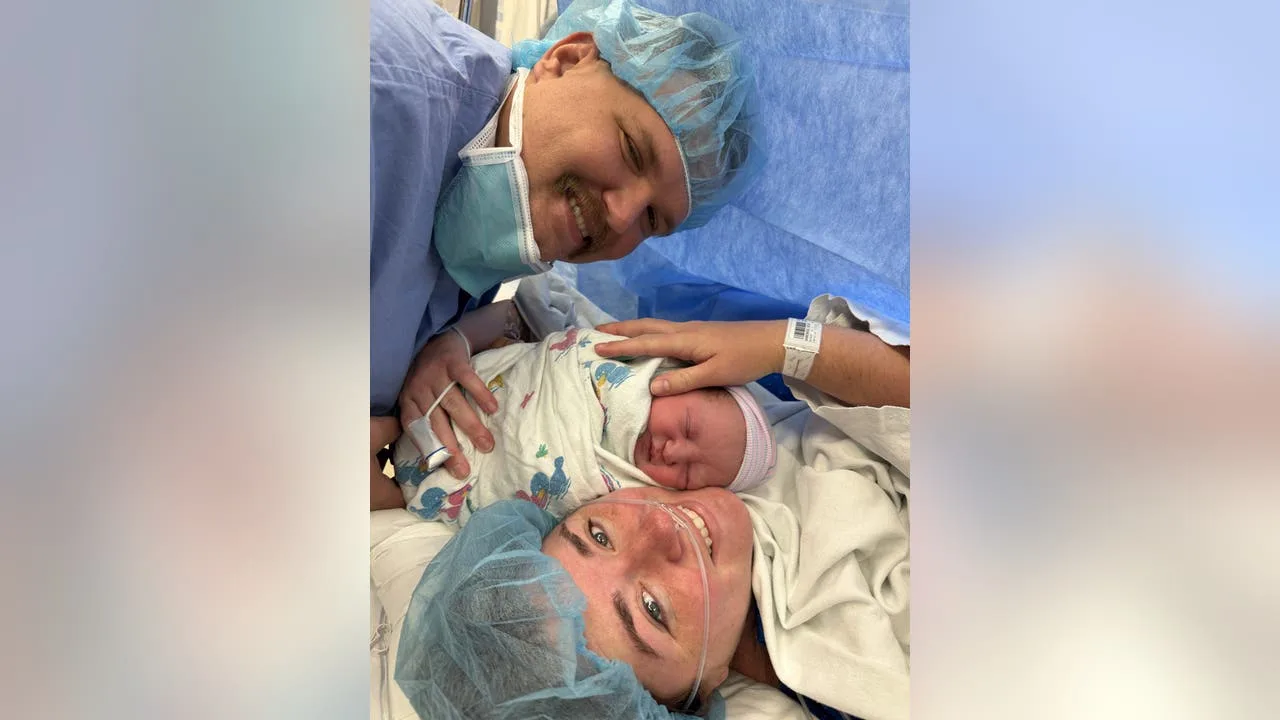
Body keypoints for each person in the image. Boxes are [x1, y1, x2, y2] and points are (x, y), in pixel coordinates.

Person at [373, 293, 911, 720]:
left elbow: (533, 320)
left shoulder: (625, 458)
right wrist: (791, 347)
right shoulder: (866, 640)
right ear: (695, 696)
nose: (658, 526)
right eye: (653, 608)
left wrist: (449, 348)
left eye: (598, 535)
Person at [370, 0, 763, 452]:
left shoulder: (504, 199)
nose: (622, 215)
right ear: (566, 59)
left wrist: (448, 343)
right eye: (632, 150)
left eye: (652, 219)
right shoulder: (377, 84)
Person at [373, 325, 776, 525]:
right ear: (674, 378)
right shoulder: (611, 368)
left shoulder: (628, 495)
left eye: (688, 473)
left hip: (421, 483)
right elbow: (560, 355)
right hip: (445, 391)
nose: (673, 451)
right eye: (688, 428)